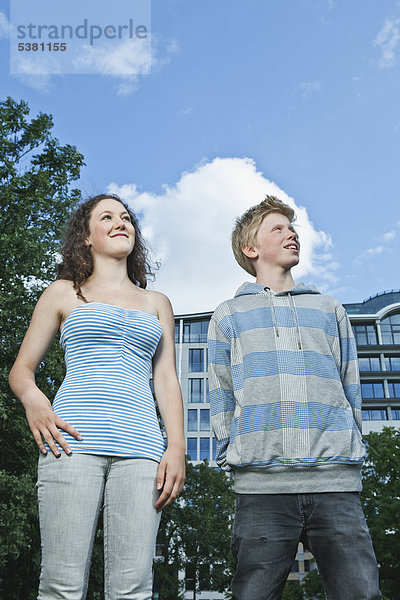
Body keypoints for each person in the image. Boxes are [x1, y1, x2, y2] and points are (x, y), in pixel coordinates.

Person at [9, 193, 186, 600]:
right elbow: (21, 371)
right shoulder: (62, 293)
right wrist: (35, 400)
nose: (120, 222)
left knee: (133, 589)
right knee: (61, 585)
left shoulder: (156, 303)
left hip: (142, 450)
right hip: (72, 443)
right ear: (86, 237)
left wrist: (175, 445)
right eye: (107, 217)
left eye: (126, 217)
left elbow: (167, 379)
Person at [207, 195, 381, 600]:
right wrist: (233, 448)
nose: (291, 234)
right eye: (278, 228)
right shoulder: (229, 314)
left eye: (293, 228)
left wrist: (349, 444)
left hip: (335, 481)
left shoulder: (328, 308)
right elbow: (221, 393)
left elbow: (349, 384)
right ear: (251, 249)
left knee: (361, 593)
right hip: (260, 487)